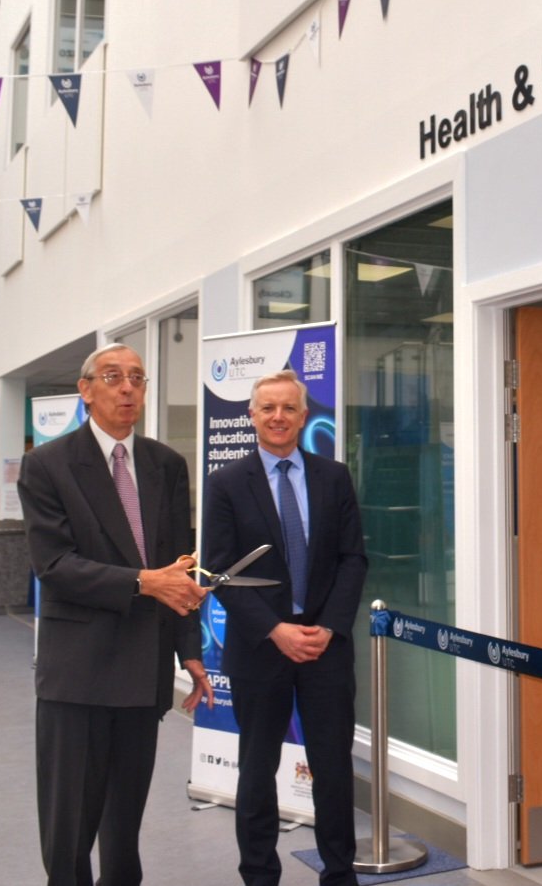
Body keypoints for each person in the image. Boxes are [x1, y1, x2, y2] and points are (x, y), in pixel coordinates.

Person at [18, 342, 213, 886]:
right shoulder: (47, 465)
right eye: (113, 376)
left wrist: (191, 654)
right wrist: (142, 581)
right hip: (77, 676)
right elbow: (54, 565)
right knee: (69, 832)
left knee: (123, 832)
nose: (127, 387)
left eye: (137, 378)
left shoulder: (166, 466)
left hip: (143, 673)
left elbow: (180, 571)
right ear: (86, 390)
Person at [203, 369, 368, 886]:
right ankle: (258, 873)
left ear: (303, 416)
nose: (278, 417)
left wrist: (330, 627)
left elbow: (353, 560)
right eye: (267, 408)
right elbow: (219, 571)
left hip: (325, 646)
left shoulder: (333, 476)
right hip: (260, 648)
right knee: (256, 769)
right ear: (251, 416)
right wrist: (275, 630)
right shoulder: (226, 483)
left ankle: (339, 873)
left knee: (333, 768)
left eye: (288, 408)